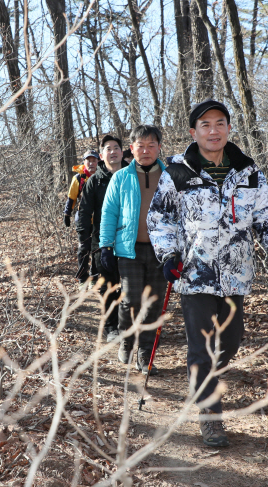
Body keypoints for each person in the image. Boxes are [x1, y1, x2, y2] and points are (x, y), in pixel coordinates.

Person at [147, 99, 268, 447]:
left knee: (230, 339)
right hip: (194, 275)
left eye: (220, 123)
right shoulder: (177, 173)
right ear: (193, 132)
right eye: (205, 125)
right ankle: (210, 416)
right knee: (201, 347)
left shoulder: (249, 172)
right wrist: (168, 256)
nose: (213, 130)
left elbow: (267, 216)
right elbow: (160, 219)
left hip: (236, 274)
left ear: (228, 128)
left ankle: (204, 382)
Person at [99, 125, 169, 375]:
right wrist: (105, 245)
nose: (146, 150)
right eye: (141, 146)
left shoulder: (171, 176)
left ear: (159, 147)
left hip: (163, 252)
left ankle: (145, 355)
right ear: (132, 148)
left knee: (153, 305)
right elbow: (109, 213)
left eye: (152, 145)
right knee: (130, 301)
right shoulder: (121, 177)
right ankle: (127, 341)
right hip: (129, 250)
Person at [77, 135, 127, 342]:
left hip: (130, 240)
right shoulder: (94, 181)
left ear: (123, 152)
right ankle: (111, 327)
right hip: (102, 242)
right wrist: (85, 239)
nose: (113, 151)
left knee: (130, 285)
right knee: (108, 286)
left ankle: (130, 325)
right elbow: (84, 211)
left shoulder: (131, 176)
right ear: (101, 154)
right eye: (108, 148)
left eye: (116, 147)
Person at [64, 149, 99, 285]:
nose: (91, 163)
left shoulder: (103, 175)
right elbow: (71, 198)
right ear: (84, 162)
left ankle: (94, 277)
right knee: (84, 249)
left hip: (100, 218)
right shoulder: (78, 178)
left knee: (97, 249)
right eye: (88, 160)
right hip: (83, 219)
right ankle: (82, 279)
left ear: (98, 161)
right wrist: (67, 214)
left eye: (94, 160)